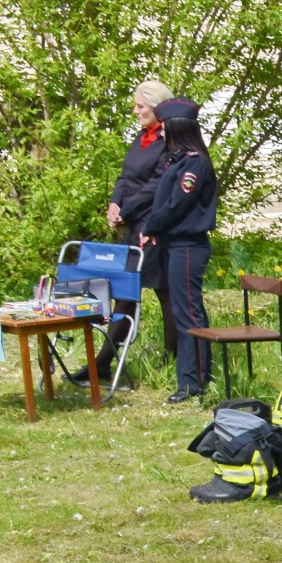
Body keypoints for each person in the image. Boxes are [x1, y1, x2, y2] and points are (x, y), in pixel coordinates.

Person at [139, 98, 217, 404]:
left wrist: (151, 226)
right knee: (184, 311)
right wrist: (156, 228)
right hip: (175, 243)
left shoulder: (193, 162)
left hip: (188, 247)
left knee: (188, 315)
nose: (160, 134)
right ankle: (192, 376)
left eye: (165, 128)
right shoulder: (179, 159)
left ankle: (193, 381)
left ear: (178, 128)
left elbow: (176, 205)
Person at [104, 79, 177, 366]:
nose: (135, 111)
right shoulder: (140, 136)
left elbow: (155, 185)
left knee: (164, 292)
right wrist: (115, 201)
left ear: (157, 108)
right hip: (133, 223)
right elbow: (126, 176)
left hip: (155, 226)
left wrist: (127, 210)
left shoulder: (168, 141)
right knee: (125, 290)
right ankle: (106, 361)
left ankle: (171, 359)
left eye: (140, 106)